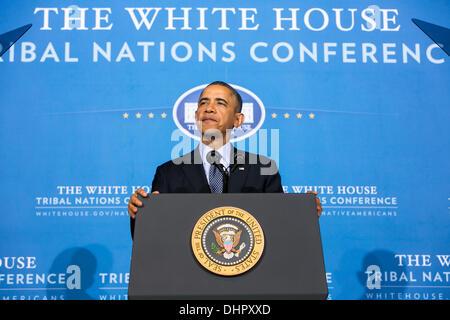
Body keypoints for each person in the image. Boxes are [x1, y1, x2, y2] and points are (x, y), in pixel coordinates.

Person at [128, 81, 322, 237]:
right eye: (203, 103)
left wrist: (304, 215)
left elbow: (280, 229)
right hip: (188, 281)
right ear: (196, 116)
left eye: (220, 103)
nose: (209, 109)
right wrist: (140, 214)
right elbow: (151, 238)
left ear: (238, 120)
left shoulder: (263, 169)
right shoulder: (169, 172)